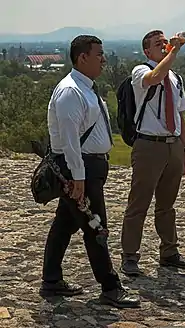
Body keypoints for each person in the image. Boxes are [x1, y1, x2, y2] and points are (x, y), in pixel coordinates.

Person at [39, 35, 140, 308]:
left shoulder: (85, 87)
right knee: (97, 228)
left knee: (65, 224)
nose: (103, 59)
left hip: (87, 166)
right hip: (78, 168)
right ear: (82, 57)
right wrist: (79, 178)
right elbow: (70, 139)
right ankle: (110, 287)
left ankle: (51, 281)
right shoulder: (70, 91)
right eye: (99, 54)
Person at [120, 30, 185, 275]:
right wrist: (174, 51)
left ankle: (169, 252)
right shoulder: (140, 71)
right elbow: (155, 77)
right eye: (158, 43)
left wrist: (184, 150)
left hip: (172, 143)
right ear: (147, 51)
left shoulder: (176, 78)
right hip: (148, 144)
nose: (164, 45)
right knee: (139, 203)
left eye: (165, 42)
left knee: (167, 204)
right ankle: (130, 256)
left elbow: (180, 115)